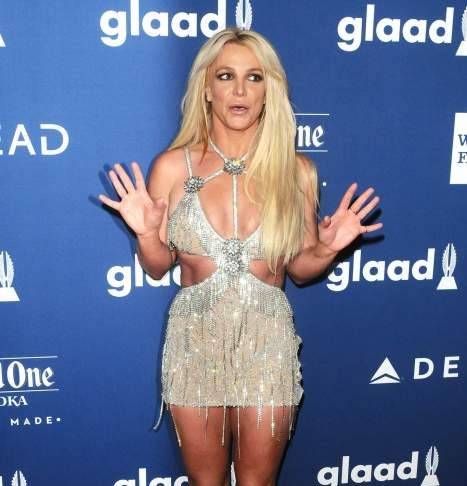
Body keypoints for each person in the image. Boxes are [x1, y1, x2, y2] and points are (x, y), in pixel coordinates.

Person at [98, 27, 382, 486]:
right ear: (206, 88)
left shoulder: (297, 171)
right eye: (226, 76)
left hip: (268, 341)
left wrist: (328, 249)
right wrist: (147, 233)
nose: (239, 90)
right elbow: (156, 265)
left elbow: (300, 270)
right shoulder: (172, 167)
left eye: (254, 77)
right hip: (195, 339)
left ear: (269, 90)